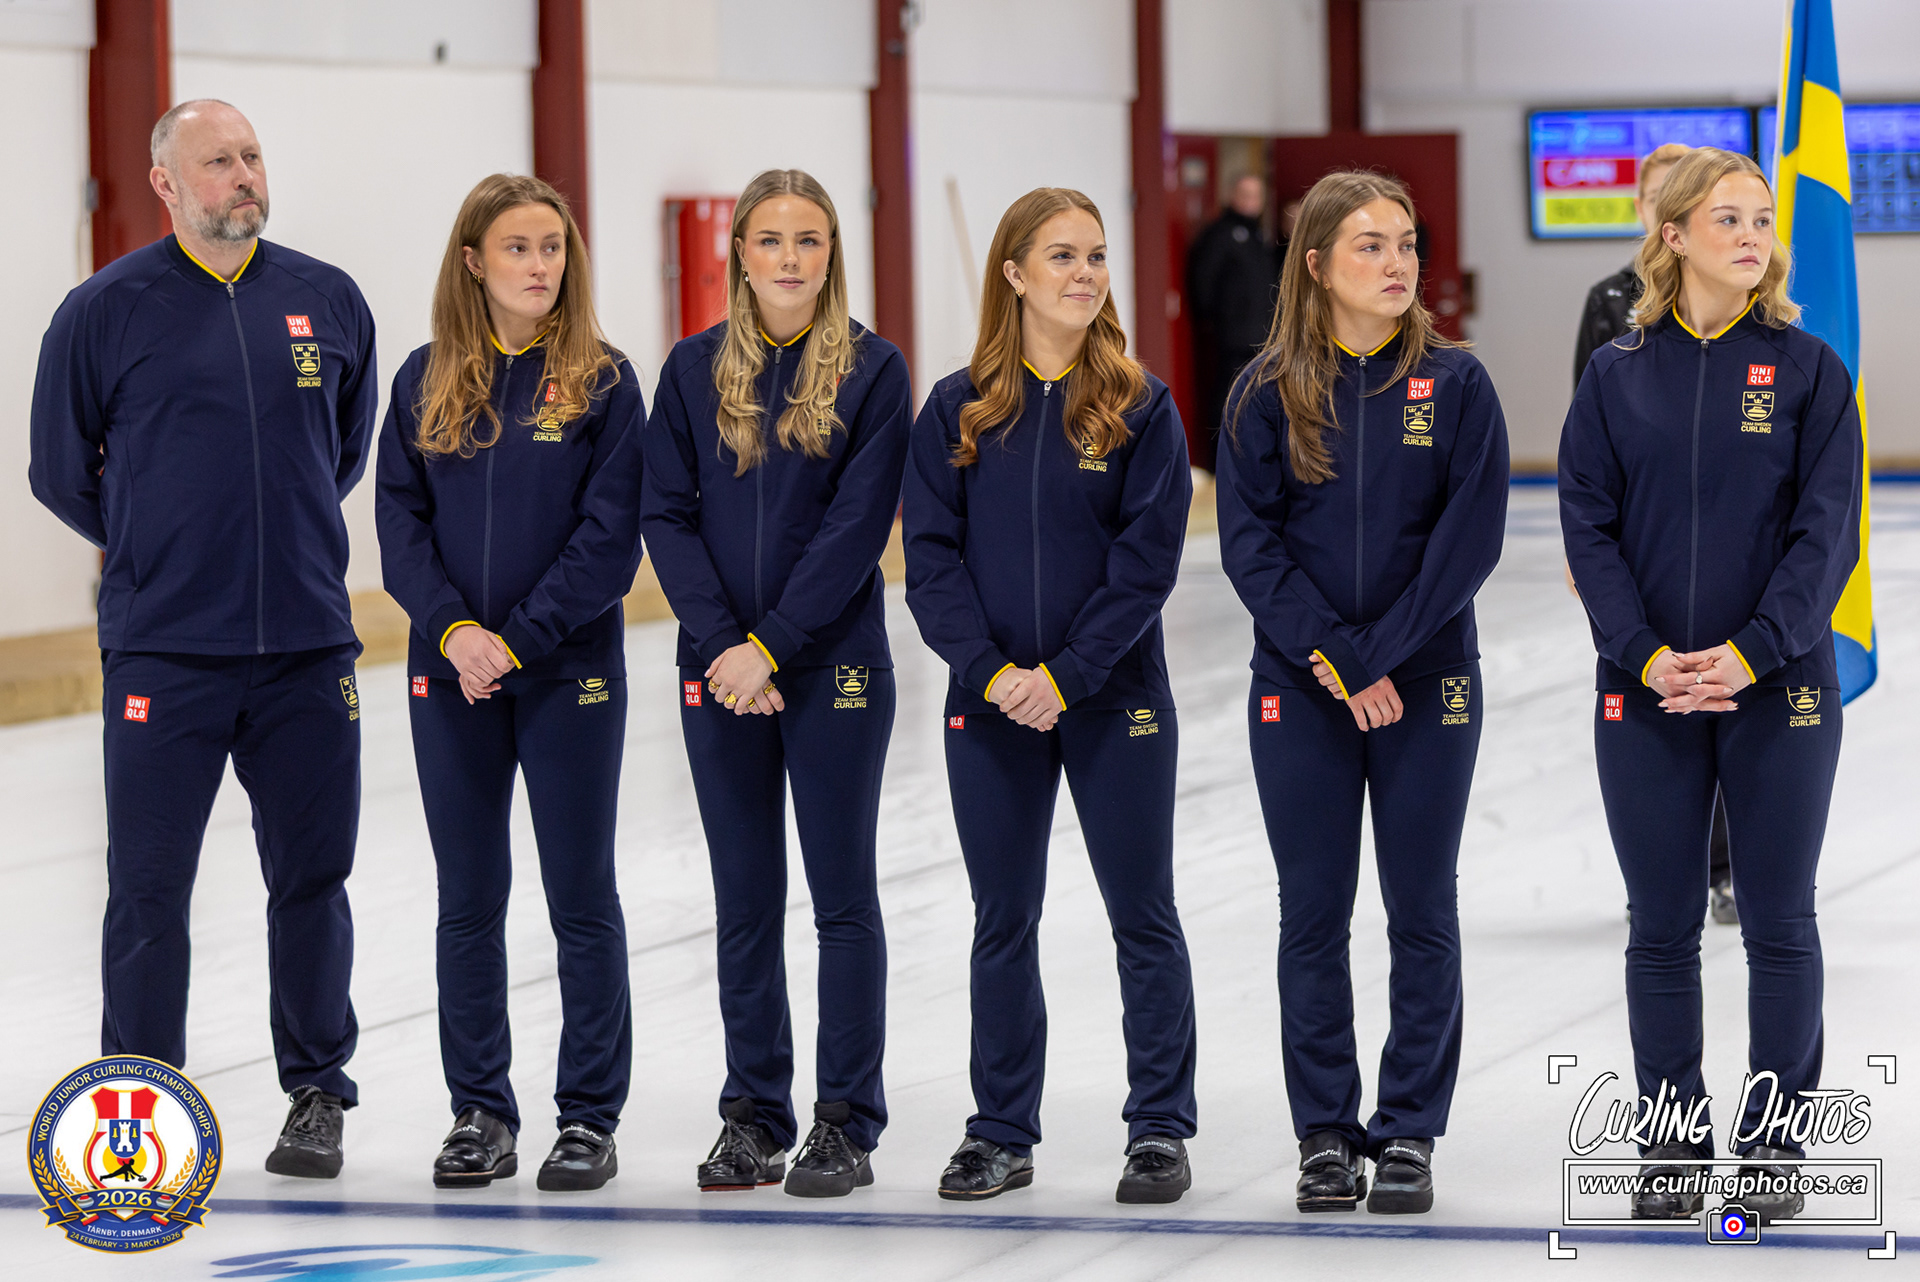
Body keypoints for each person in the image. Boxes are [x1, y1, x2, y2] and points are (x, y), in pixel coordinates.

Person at [29, 99, 374, 1179]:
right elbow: (58, 470)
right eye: (218, 161)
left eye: (252, 155)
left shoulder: (328, 300)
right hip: (166, 654)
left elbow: (341, 453)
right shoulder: (103, 311)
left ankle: (316, 1095)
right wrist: (156, 542)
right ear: (167, 184)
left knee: (312, 881)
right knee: (148, 890)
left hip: (306, 649)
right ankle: (140, 1110)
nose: (244, 175)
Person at [1559, 147, 1861, 1223]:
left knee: (1778, 920)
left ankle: (1773, 1145)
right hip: (1645, 689)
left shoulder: (1810, 369)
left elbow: (1828, 536)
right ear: (1673, 234)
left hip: (1779, 685)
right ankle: (1673, 1142)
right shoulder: (1616, 373)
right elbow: (1586, 525)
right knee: (1661, 925)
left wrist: (1753, 652)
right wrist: (1644, 654)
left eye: (1762, 219)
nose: (1752, 236)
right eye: (1728, 218)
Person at [1215, 171, 1510, 1216]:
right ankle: (1326, 1135)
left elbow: (1468, 542)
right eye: (1370, 246)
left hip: (1427, 682)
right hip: (1303, 689)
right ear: (1316, 266)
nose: (1396, 264)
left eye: (1406, 244)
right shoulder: (1263, 392)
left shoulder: (1457, 385)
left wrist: (1380, 655)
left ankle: (1411, 1129)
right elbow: (1250, 547)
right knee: (1313, 914)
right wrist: (1336, 660)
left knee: (1421, 907)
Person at [904, 187, 1199, 1206]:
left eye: (1097, 256)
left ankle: (1158, 1128)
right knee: (1002, 918)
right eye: (1063, 256)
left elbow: (1146, 563)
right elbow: (930, 562)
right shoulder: (957, 409)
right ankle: (999, 1131)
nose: (1086, 274)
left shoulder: (1140, 406)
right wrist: (994, 675)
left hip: (1115, 699)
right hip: (990, 705)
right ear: (1014, 274)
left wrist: (1067, 676)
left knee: (1142, 914)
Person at [640, 169, 912, 1200]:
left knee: (841, 897)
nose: (790, 258)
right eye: (771, 239)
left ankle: (845, 1121)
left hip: (832, 665)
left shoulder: (874, 371)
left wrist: (775, 644)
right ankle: (753, 1114)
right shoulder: (691, 369)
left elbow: (857, 525)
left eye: (809, 239)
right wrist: (725, 646)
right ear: (740, 254)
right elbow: (665, 514)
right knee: (745, 900)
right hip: (720, 672)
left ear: (832, 253)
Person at [375, 174, 646, 1192]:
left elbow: (608, 543)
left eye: (553, 248)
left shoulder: (605, 383)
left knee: (581, 895)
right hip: (452, 673)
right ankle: (480, 1111)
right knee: (469, 897)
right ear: (473, 261)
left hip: (567, 672)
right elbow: (398, 525)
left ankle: (589, 1117)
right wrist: (454, 633)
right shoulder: (423, 378)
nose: (540, 266)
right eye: (519, 248)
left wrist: (516, 642)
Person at [1570, 142, 1738, 927]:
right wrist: (1581, 548)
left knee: (1726, 697)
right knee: (1659, 700)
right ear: (1649, 213)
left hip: (1724, 555)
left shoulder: (1747, 317)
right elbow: (1586, 431)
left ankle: (1726, 865)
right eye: (1658, 196)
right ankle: (1669, 865)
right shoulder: (1610, 302)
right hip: (1641, 550)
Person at [1187, 173, 1282, 469]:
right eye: (1245, 194)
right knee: (1228, 398)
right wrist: (1218, 320)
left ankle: (1250, 462)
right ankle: (1219, 464)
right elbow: (1203, 283)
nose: (1251, 201)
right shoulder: (1220, 234)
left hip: (1262, 336)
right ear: (1232, 196)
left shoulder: (1259, 235)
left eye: (1256, 195)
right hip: (1234, 337)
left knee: (1257, 399)